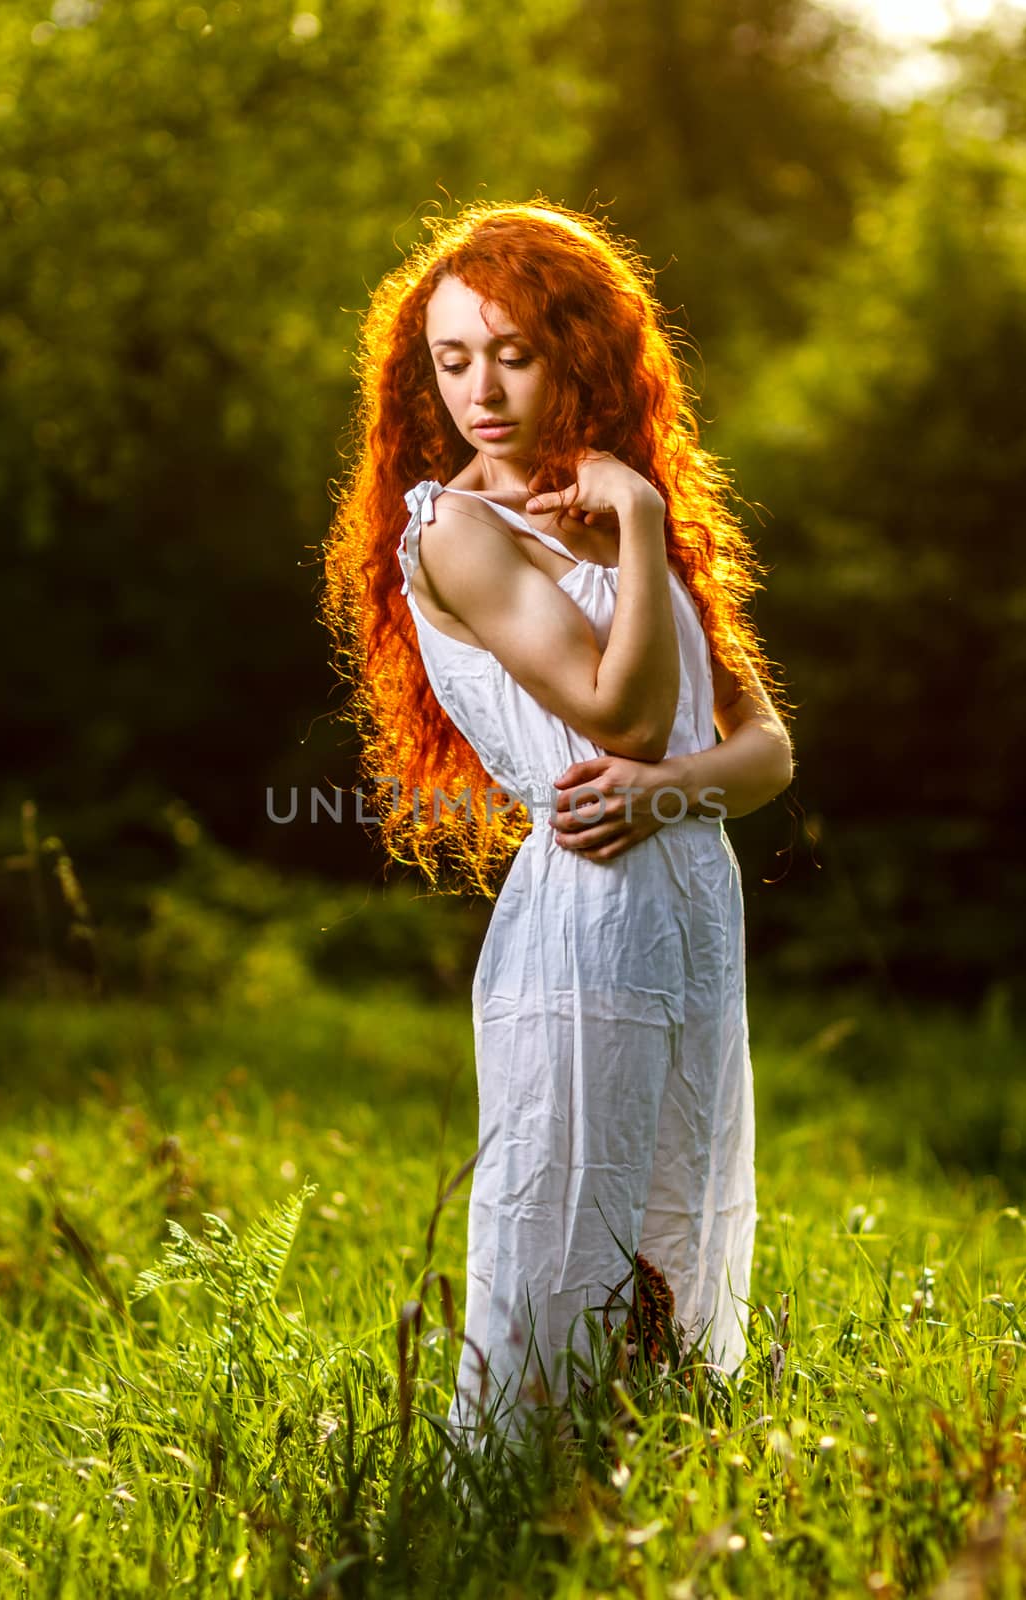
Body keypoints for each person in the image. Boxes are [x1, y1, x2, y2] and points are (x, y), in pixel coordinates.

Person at [319, 200, 794, 1460]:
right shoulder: (462, 530)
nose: (477, 386)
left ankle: (650, 1478)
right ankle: (509, 1508)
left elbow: (762, 753)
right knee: (565, 1223)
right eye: (451, 357)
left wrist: (669, 790)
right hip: (586, 917)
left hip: (689, 911)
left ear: (577, 349)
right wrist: (635, 526)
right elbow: (624, 719)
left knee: (676, 1209)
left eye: (510, 352)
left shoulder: (622, 502)